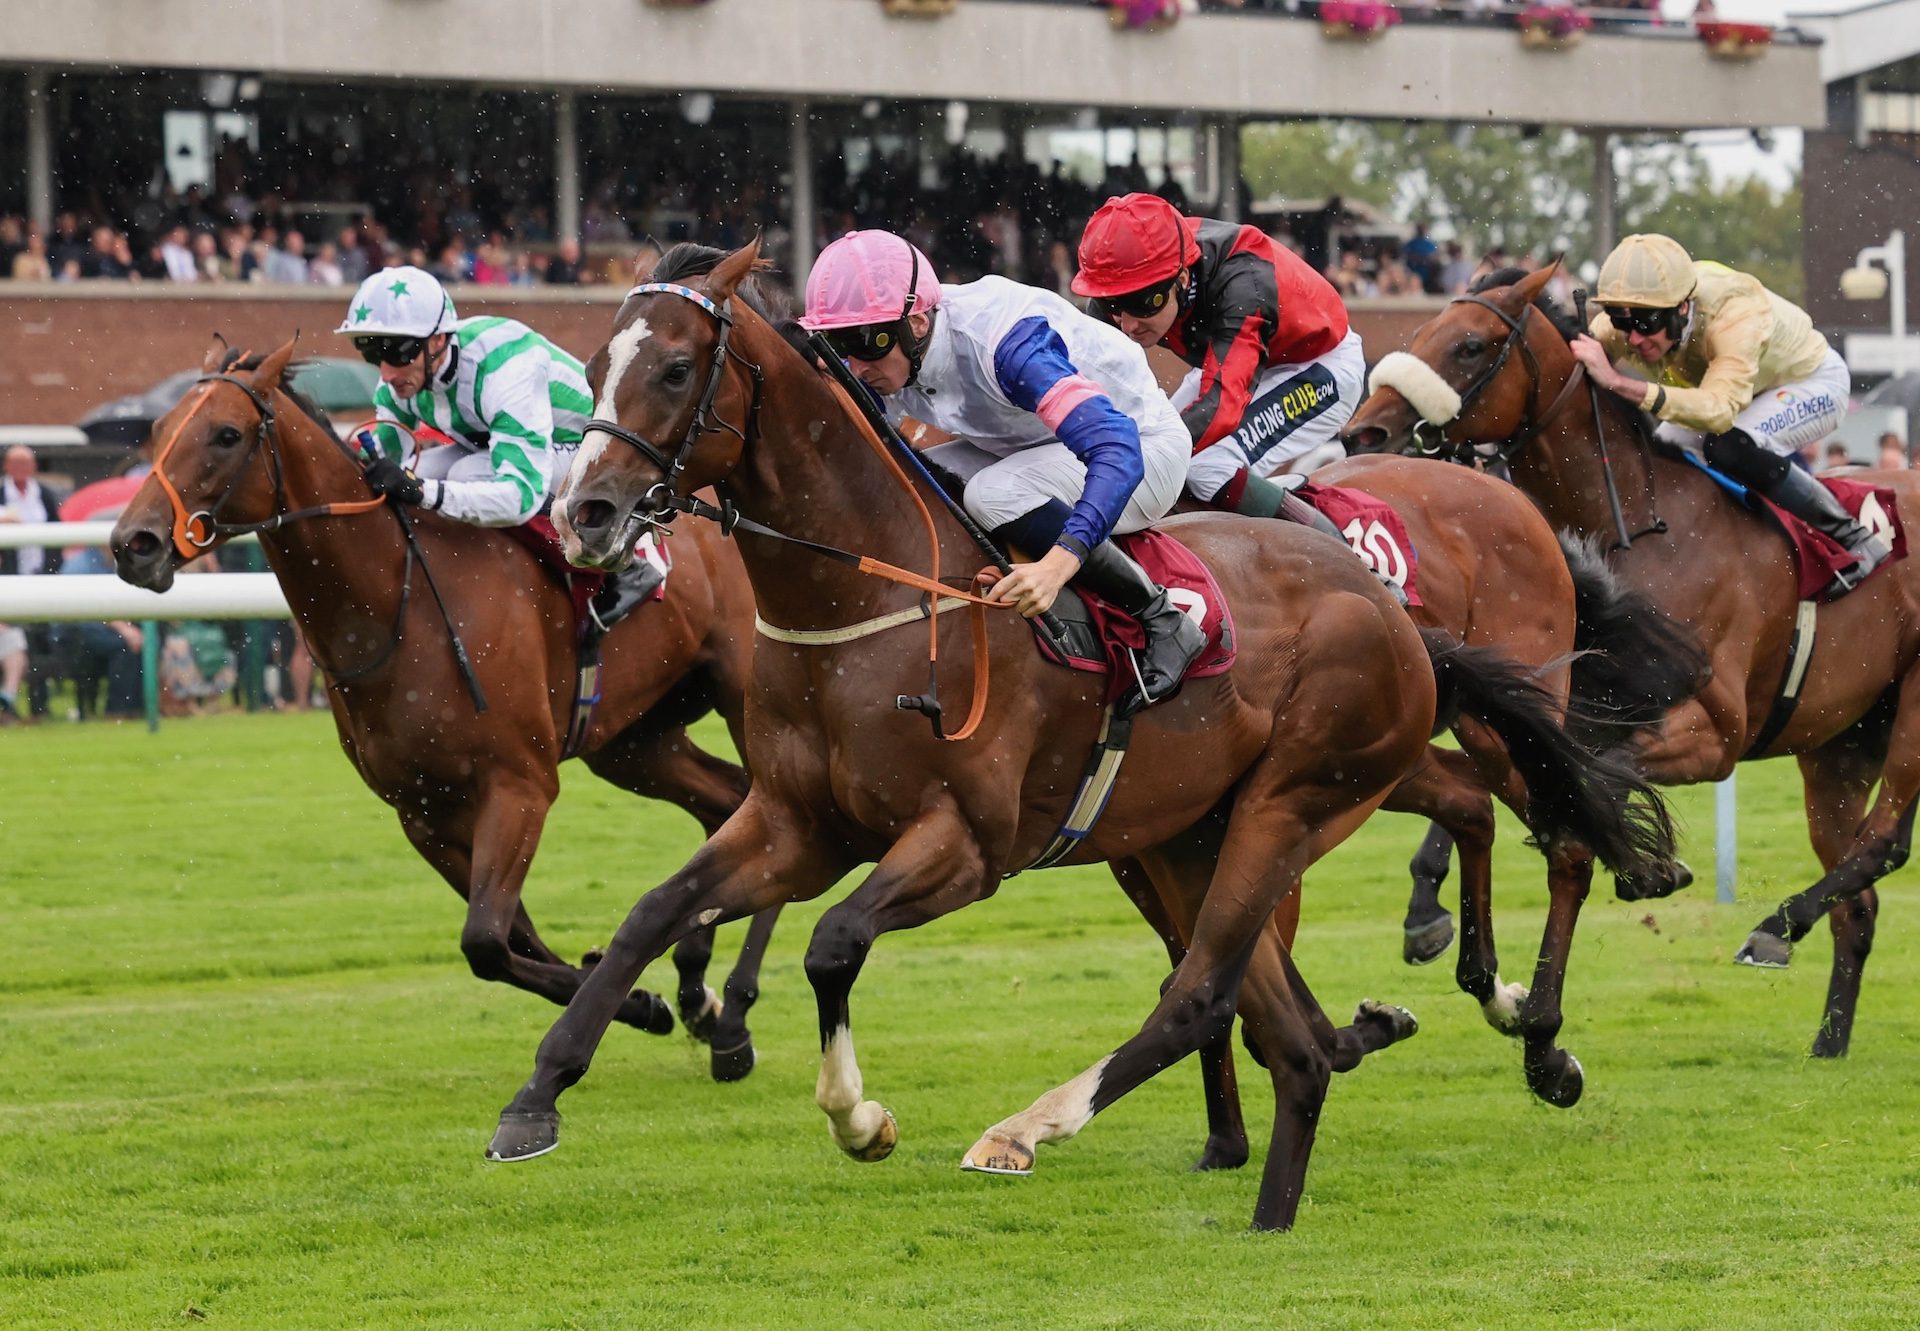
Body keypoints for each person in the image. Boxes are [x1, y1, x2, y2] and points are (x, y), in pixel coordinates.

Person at [799, 229, 1204, 710]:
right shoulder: (891, 350)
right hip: (1032, 446)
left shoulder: (1010, 348)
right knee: (902, 487)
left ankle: (1161, 617)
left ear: (919, 324)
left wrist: (1056, 567)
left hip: (1142, 449)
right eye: (835, 344)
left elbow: (1116, 450)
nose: (854, 365)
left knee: (992, 494)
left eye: (864, 343)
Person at [1071, 194, 1390, 593]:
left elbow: (1221, 408)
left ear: (1183, 280)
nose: (1128, 323)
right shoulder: (1128, 273)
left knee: (1201, 465)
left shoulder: (1245, 284)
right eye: (1112, 304)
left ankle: (1357, 573)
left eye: (1143, 302)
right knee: (1154, 449)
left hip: (1318, 366)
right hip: (1230, 357)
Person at [1572, 233, 1889, 595]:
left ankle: (1854, 537)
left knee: (1728, 447)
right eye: (1620, 322)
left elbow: (1719, 412)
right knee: (1657, 454)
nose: (1632, 339)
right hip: (1735, 390)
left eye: (1645, 324)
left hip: (1810, 382)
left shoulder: (1734, 315)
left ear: (1682, 309)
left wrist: (1619, 383)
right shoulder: (1641, 312)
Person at [336, 265, 593, 527]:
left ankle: (613, 560)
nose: (387, 373)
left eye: (396, 353)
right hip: (515, 449)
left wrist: (424, 493)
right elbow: (386, 459)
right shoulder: (403, 376)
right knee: (418, 470)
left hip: (594, 451)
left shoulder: (505, 369)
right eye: (372, 354)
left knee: (464, 474)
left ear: (437, 340)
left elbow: (521, 497)